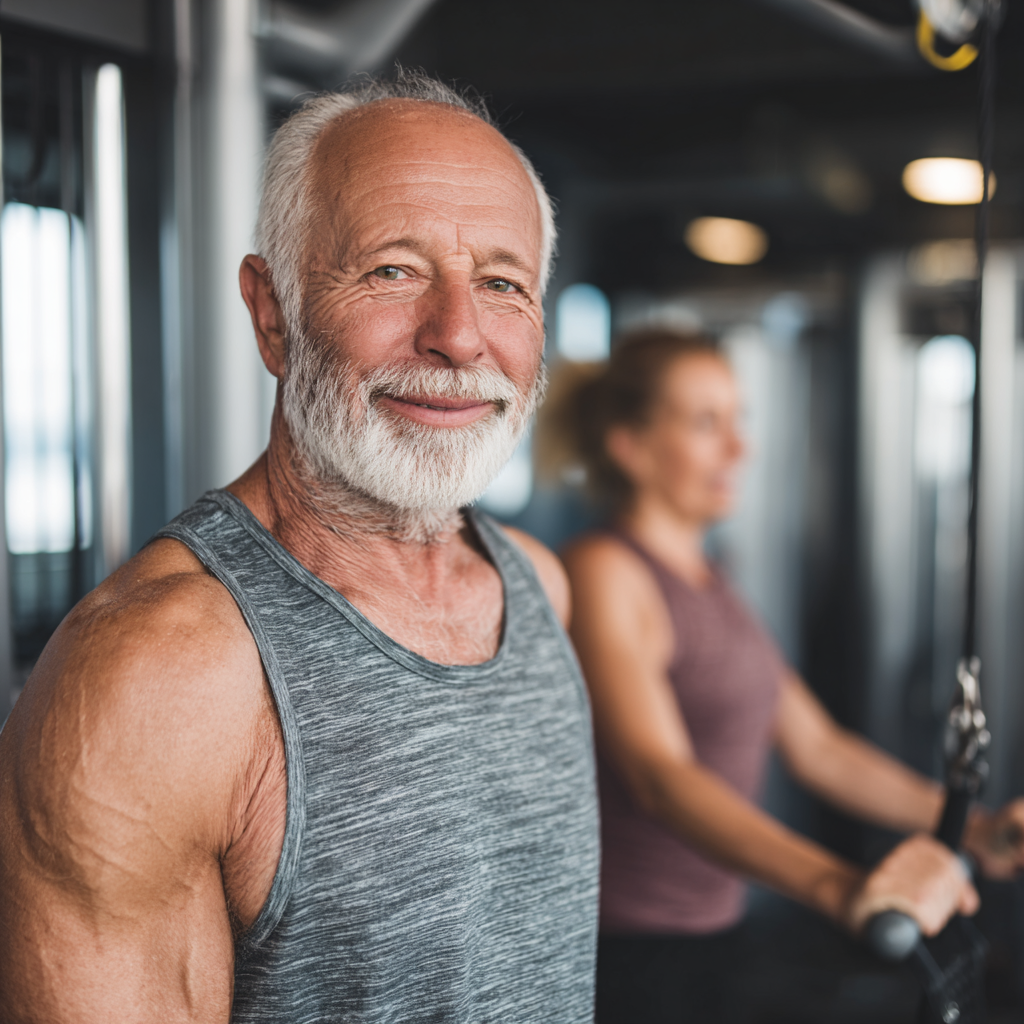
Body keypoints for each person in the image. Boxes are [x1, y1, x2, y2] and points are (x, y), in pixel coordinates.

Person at [0, 74, 600, 1022]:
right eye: (393, 271)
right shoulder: (157, 674)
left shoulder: (538, 589)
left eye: (501, 284)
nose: (457, 335)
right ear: (272, 312)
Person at [558, 328, 1024, 1024]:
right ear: (629, 444)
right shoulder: (607, 571)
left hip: (715, 926)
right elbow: (660, 776)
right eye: (705, 423)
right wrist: (839, 887)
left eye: (737, 420)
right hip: (631, 942)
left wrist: (972, 828)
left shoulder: (712, 578)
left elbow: (818, 748)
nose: (739, 448)